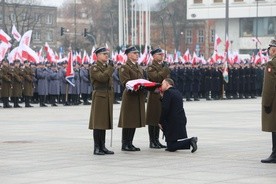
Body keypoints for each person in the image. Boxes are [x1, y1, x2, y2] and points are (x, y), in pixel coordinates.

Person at [159, 78, 198, 152]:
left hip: (172, 121)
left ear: (167, 84)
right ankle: (190, 142)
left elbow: (165, 108)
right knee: (171, 144)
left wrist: (160, 121)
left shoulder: (168, 92)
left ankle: (190, 141)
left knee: (170, 147)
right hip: (180, 119)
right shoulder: (176, 91)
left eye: (162, 84)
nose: (161, 86)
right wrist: (162, 98)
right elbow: (172, 103)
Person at [118, 46, 145, 151]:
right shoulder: (125, 67)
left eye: (137, 53)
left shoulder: (139, 67)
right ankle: (125, 143)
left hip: (138, 96)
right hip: (130, 96)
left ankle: (130, 142)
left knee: (134, 120)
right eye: (134, 53)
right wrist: (137, 85)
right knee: (128, 121)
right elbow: (126, 82)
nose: (137, 54)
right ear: (129, 55)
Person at [89, 47, 114, 155]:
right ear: (98, 55)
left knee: (103, 123)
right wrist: (110, 69)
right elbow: (102, 78)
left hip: (106, 95)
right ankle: (97, 147)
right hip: (99, 96)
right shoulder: (94, 67)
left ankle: (103, 146)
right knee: (98, 123)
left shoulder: (105, 67)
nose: (106, 55)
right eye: (104, 54)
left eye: (107, 54)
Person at [146, 48, 170, 149]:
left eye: (162, 54)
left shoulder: (162, 66)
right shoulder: (151, 67)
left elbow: (167, 79)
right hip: (154, 95)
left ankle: (157, 140)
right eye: (159, 54)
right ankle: (152, 141)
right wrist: (165, 69)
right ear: (154, 56)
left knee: (159, 118)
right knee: (153, 119)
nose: (162, 56)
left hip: (162, 94)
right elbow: (156, 78)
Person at [261, 39, 276, 163]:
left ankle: (275, 154)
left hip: (274, 102)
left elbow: (269, 86)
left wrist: (266, 103)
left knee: (274, 127)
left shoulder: (272, 64)